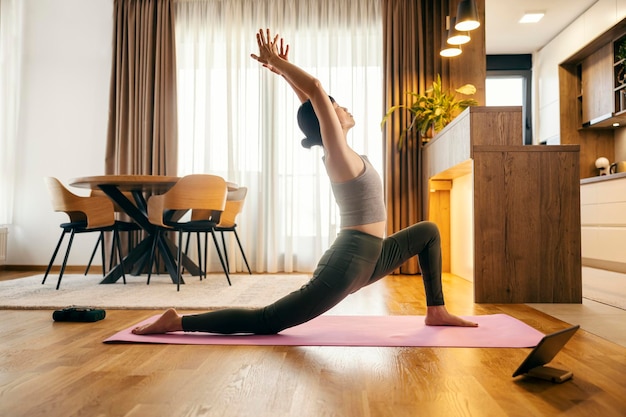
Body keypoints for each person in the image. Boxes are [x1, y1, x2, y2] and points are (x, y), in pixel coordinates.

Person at [132, 29, 477, 336]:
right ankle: (177, 322)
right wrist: (281, 66)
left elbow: (312, 101)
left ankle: (436, 311)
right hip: (348, 262)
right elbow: (315, 93)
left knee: (428, 231)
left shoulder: (342, 149)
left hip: (374, 255)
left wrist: (282, 72)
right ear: (328, 118)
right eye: (336, 106)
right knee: (267, 321)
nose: (342, 107)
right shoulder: (337, 154)